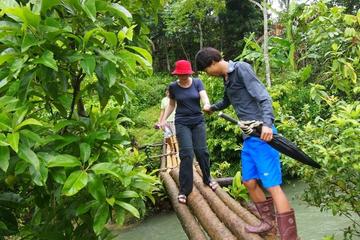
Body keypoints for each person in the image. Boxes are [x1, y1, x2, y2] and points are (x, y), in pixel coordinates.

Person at [195, 47, 298, 240]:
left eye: (205, 70)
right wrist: (213, 107)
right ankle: (269, 223)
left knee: (272, 185)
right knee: (249, 182)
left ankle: (290, 236)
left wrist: (268, 124)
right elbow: (228, 101)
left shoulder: (241, 68)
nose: (207, 74)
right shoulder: (227, 78)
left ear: (212, 63)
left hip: (262, 134)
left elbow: (263, 96)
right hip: (249, 137)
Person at [159, 60, 218, 204]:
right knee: (186, 154)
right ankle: (184, 190)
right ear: (177, 74)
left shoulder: (197, 82)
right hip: (181, 122)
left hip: (197, 121)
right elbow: (172, 104)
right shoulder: (173, 87)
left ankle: (207, 178)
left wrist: (206, 105)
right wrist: (163, 119)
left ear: (190, 73)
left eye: (185, 74)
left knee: (201, 151)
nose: (183, 77)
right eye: (180, 75)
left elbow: (204, 96)